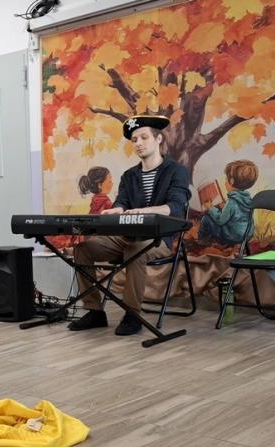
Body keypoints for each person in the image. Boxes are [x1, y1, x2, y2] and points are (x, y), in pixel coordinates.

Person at [69, 115, 191, 336]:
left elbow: (175, 206)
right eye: (134, 140)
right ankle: (94, 311)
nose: (138, 143)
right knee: (82, 249)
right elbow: (122, 203)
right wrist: (116, 210)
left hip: (159, 239)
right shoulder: (129, 176)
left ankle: (132, 315)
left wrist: (144, 211)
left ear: (159, 139)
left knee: (136, 250)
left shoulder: (176, 171)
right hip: (127, 237)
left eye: (144, 137)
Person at [199, 160, 258, 245]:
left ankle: (203, 241)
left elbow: (220, 220)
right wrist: (224, 207)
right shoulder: (248, 198)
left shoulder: (232, 202)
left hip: (233, 237)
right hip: (247, 235)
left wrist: (211, 207)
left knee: (206, 219)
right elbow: (239, 215)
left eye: (226, 180)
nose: (225, 182)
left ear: (232, 181)